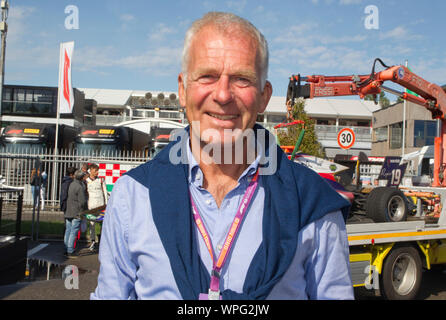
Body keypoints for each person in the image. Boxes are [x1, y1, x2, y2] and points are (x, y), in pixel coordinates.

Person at [92, 12, 353, 300]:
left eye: (242, 79)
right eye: (208, 76)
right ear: (182, 89)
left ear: (264, 96)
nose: (223, 95)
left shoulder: (311, 201)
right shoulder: (133, 195)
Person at [64, 169, 88, 258]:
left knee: (68, 230)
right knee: (73, 231)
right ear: (81, 177)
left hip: (69, 209)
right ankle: (70, 250)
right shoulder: (80, 187)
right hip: (77, 211)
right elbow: (82, 201)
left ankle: (66, 248)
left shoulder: (72, 184)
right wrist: (84, 209)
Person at [85, 163, 108, 251]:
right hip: (91, 205)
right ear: (91, 171)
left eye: (98, 171)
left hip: (101, 205)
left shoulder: (101, 180)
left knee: (103, 223)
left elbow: (105, 192)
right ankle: (93, 241)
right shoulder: (86, 180)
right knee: (92, 224)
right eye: (95, 171)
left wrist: (106, 204)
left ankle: (102, 241)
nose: (97, 172)